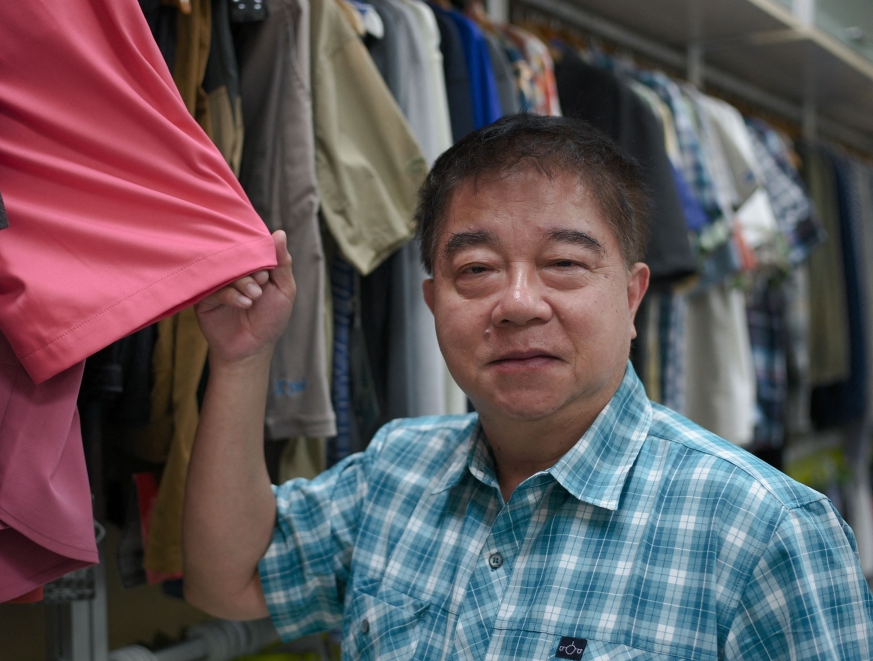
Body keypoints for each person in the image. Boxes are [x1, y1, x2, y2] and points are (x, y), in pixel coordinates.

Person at [183, 114, 873, 660]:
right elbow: (230, 579)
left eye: (564, 263)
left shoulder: (763, 530)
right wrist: (243, 359)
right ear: (433, 300)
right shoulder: (394, 470)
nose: (516, 303)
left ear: (633, 297)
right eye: (477, 269)